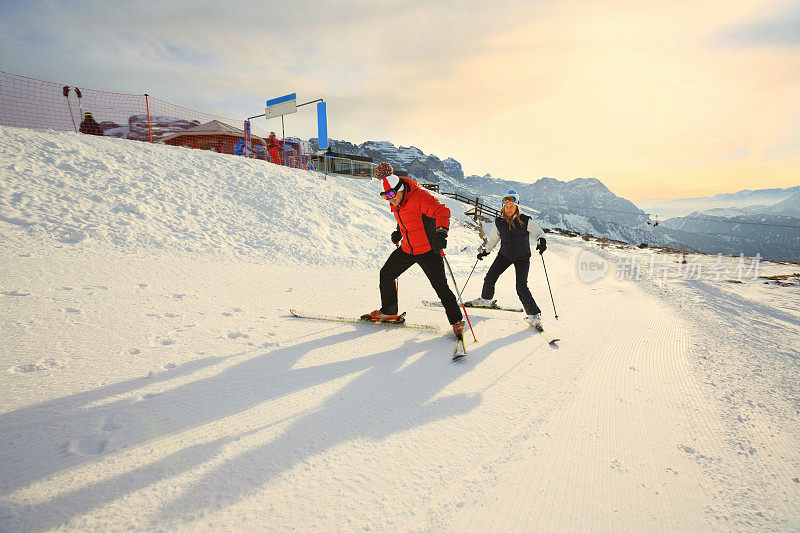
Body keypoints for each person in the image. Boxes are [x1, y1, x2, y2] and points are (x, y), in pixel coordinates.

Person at [362, 162, 465, 339]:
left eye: (391, 195)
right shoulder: (396, 199)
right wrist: (398, 231)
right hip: (408, 248)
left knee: (440, 287)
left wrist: (441, 233)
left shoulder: (419, 197)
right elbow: (405, 216)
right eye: (385, 197)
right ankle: (389, 311)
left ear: (400, 188)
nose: (389, 199)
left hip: (428, 250)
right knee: (386, 274)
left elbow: (442, 211)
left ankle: (457, 321)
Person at [471, 189, 547, 327]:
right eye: (506, 206)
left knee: (521, 286)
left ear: (517, 207)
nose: (509, 209)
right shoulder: (499, 222)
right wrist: (486, 251)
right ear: (503, 207)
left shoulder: (525, 220)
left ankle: (534, 315)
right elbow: (494, 239)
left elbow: (539, 233)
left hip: (522, 257)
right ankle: (486, 300)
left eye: (512, 206)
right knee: (490, 277)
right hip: (505, 255)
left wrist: (541, 241)